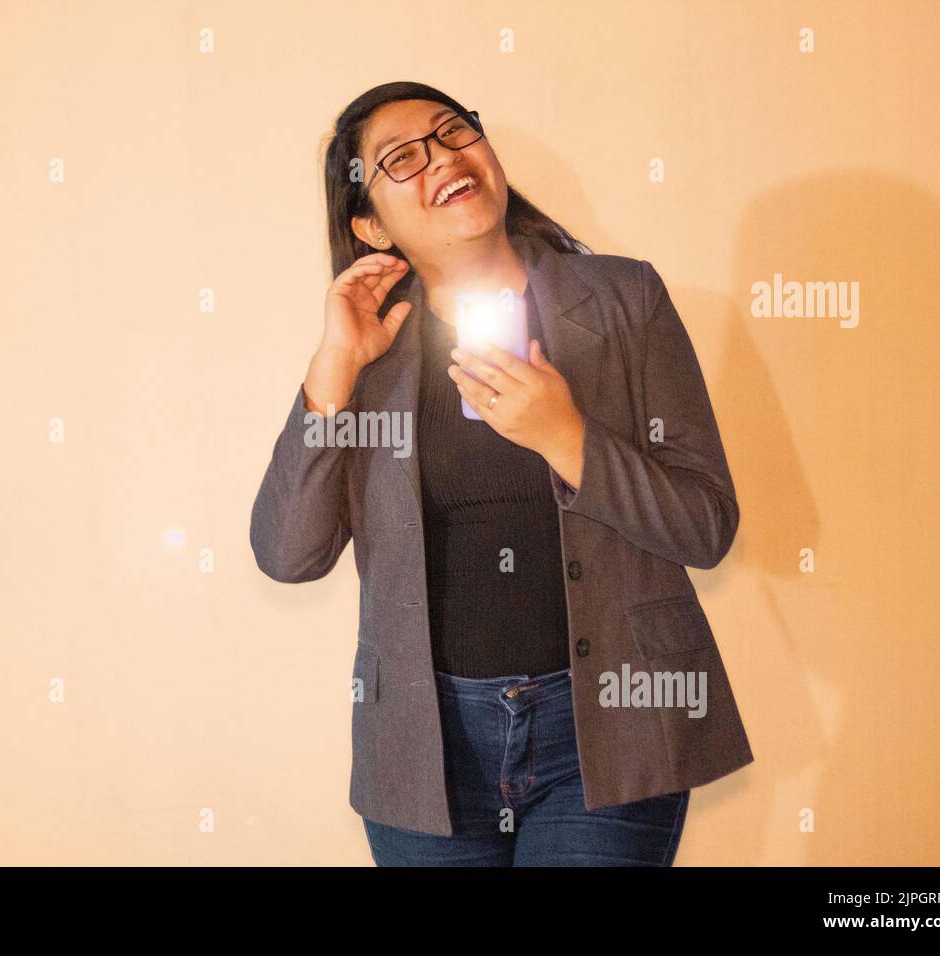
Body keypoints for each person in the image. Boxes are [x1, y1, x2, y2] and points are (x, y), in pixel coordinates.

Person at [250, 81, 752, 866]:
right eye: (401, 158)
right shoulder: (369, 353)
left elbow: (706, 525)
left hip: (607, 738)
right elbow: (288, 554)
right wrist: (331, 372)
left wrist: (569, 439)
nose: (442, 157)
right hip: (426, 750)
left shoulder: (625, 300)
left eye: (453, 131)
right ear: (370, 224)